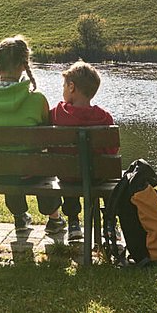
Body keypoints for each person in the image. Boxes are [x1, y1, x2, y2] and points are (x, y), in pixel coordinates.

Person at [0, 35, 57, 232]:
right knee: (34, 161)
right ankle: (54, 217)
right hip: (31, 173)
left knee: (6, 161)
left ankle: (19, 216)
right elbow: (47, 136)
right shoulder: (37, 100)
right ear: (22, 65)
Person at [48, 60, 117, 242]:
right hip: (97, 177)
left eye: (64, 86)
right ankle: (110, 224)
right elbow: (112, 151)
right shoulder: (104, 117)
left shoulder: (57, 113)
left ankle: (73, 223)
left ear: (71, 87)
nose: (63, 90)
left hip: (68, 176)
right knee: (105, 173)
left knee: (69, 170)